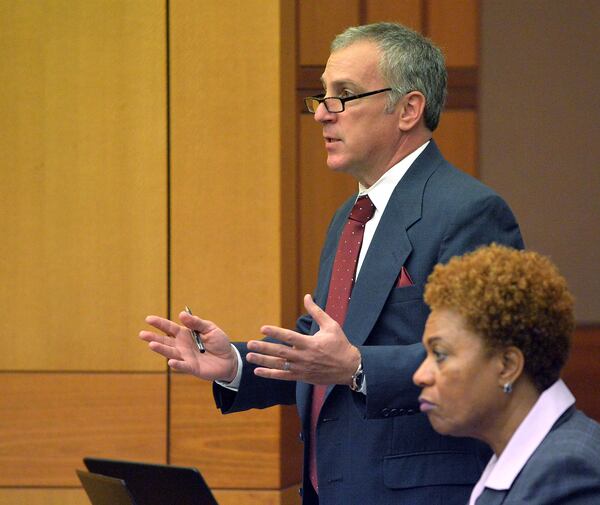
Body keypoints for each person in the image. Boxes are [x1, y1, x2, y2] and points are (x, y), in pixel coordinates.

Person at [140, 22, 524, 505]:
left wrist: (358, 366)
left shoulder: (468, 211)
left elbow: (483, 362)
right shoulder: (352, 215)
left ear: (408, 109)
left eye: (343, 95)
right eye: (322, 96)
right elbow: (320, 352)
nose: (322, 114)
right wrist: (234, 363)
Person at [413, 244, 600, 504]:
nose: (420, 375)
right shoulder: (524, 459)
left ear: (508, 366)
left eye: (440, 354)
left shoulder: (567, 473)